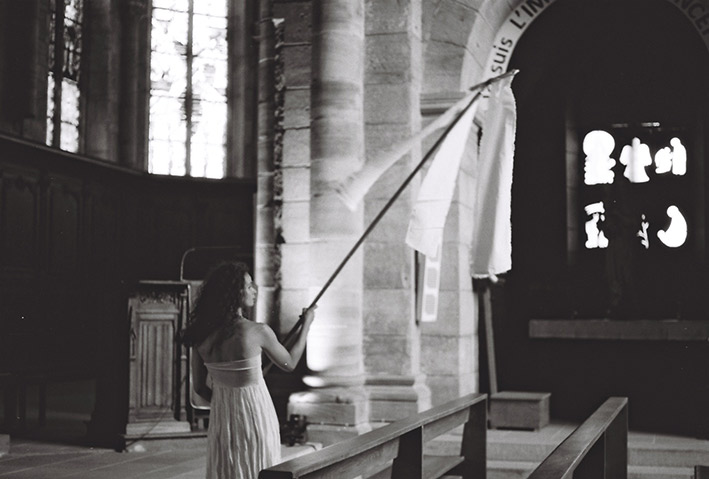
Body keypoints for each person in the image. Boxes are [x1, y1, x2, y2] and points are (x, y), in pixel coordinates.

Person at [180, 261, 316, 479]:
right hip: (256, 414)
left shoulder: (200, 336)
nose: (254, 290)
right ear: (234, 292)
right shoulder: (258, 331)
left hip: (222, 419)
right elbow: (289, 363)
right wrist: (307, 325)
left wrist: (227, 403)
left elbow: (199, 388)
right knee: (258, 467)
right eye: (249, 285)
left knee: (228, 471)